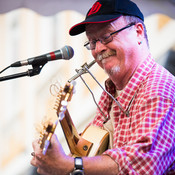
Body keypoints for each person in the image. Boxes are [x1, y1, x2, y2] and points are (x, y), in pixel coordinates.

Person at [30, 0, 175, 174]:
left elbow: (144, 165)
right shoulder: (111, 93)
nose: (98, 48)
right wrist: (56, 161)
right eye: (92, 41)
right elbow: (90, 156)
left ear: (138, 32)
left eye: (107, 36)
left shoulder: (160, 89)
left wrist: (69, 165)